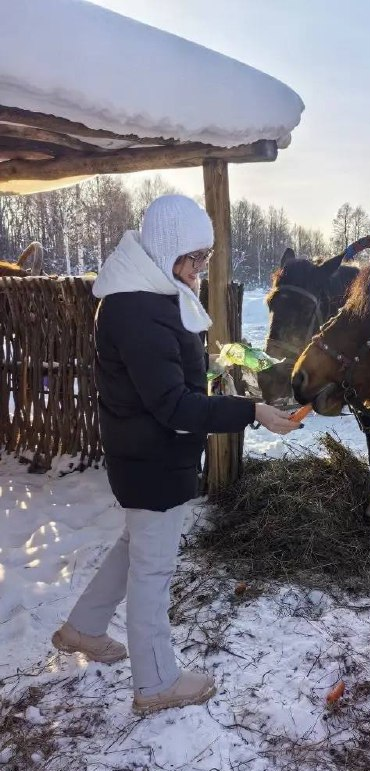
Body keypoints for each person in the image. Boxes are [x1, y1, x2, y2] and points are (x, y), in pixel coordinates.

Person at [52, 195, 299, 715]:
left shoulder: (149, 295)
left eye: (206, 257)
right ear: (168, 251)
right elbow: (172, 405)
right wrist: (250, 411)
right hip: (153, 459)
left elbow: (163, 371)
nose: (201, 268)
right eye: (196, 257)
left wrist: (209, 365)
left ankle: (83, 628)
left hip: (145, 455)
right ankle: (156, 683)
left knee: (134, 546)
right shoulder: (139, 310)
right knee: (152, 570)